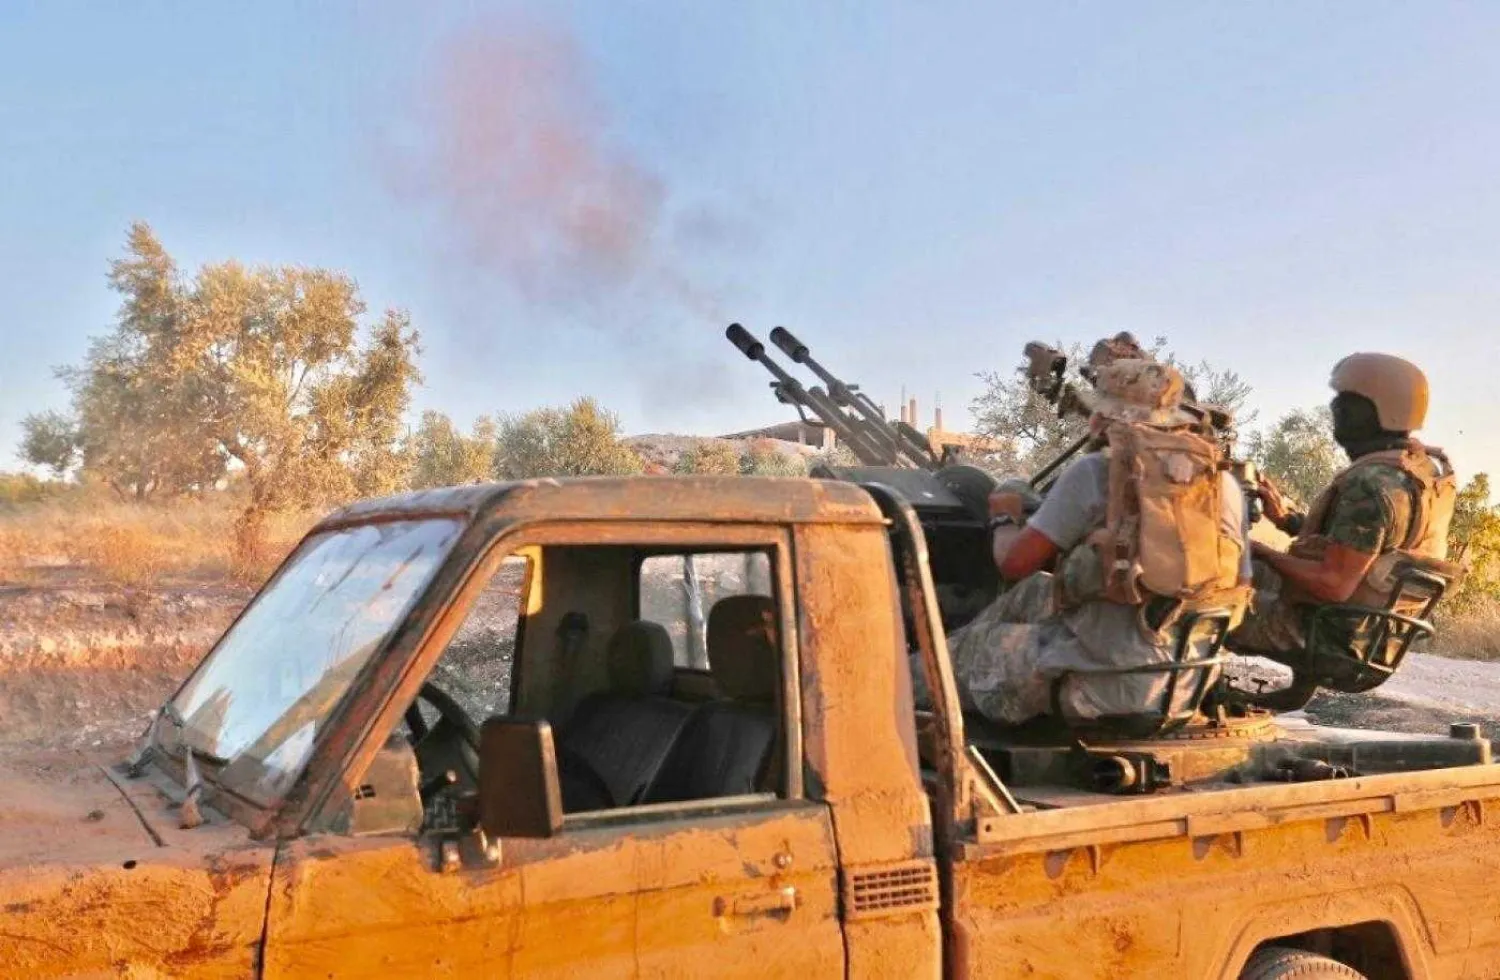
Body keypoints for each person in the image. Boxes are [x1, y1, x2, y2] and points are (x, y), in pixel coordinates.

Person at [945, 359, 1251, 728]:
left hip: (1097, 688)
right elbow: (1240, 587)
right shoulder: (1224, 487)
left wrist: (1004, 516)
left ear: (1106, 417)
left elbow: (1012, 564)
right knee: (1034, 592)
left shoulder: (1093, 473)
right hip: (1184, 684)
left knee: (950, 655)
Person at [1228, 353, 1458, 666]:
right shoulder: (1420, 473)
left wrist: (1259, 551)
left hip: (1329, 633)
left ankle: (1166, 699)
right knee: (1242, 575)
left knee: (1195, 597)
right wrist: (1288, 520)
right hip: (1372, 630)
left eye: (1348, 402)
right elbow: (1367, 544)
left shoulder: (1372, 485)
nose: (1336, 409)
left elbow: (1333, 584)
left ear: (1380, 410)